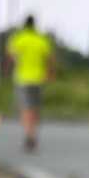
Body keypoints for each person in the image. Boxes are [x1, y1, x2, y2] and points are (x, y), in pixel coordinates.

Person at [6, 14, 55, 153]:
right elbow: (50, 59)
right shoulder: (41, 40)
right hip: (38, 79)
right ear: (34, 25)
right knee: (35, 108)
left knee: (25, 108)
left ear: (24, 25)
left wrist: (9, 69)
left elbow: (11, 56)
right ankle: (33, 134)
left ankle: (29, 135)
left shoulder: (19, 38)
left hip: (22, 78)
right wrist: (50, 74)